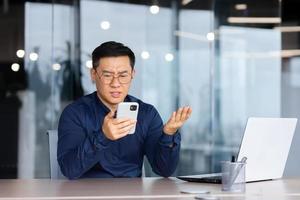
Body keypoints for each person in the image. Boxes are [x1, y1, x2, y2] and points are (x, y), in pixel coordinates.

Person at [57, 41, 192, 179]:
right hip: (87, 195)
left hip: (133, 194)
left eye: (123, 75)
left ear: (132, 74)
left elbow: (164, 170)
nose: (115, 84)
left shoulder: (146, 114)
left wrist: (168, 134)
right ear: (93, 74)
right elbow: (69, 169)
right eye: (108, 75)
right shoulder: (75, 113)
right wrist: (103, 136)